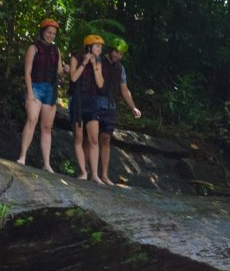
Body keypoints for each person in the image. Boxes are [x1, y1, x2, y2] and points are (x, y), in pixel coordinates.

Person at [17, 19, 64, 172]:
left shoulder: (56, 50)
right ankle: (22, 156)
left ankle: (47, 164)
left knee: (46, 127)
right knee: (32, 119)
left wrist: (68, 69)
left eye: (54, 33)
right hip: (36, 87)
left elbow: (59, 71)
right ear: (42, 31)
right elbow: (27, 72)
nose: (51, 35)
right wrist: (30, 93)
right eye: (49, 32)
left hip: (51, 90)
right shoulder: (33, 48)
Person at [96, 38, 141, 186]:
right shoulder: (99, 61)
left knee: (106, 138)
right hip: (95, 102)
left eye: (120, 54)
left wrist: (133, 107)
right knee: (90, 137)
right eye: (116, 52)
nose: (117, 56)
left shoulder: (120, 68)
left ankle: (104, 175)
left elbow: (124, 89)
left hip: (110, 105)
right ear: (111, 50)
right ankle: (87, 172)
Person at [68, 35, 106, 184]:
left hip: (92, 101)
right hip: (77, 101)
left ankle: (95, 174)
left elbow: (101, 84)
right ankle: (83, 171)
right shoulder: (75, 58)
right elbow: (73, 78)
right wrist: (84, 62)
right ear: (89, 47)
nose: (100, 49)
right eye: (97, 46)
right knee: (78, 138)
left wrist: (95, 66)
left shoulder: (98, 61)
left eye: (101, 47)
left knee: (93, 139)